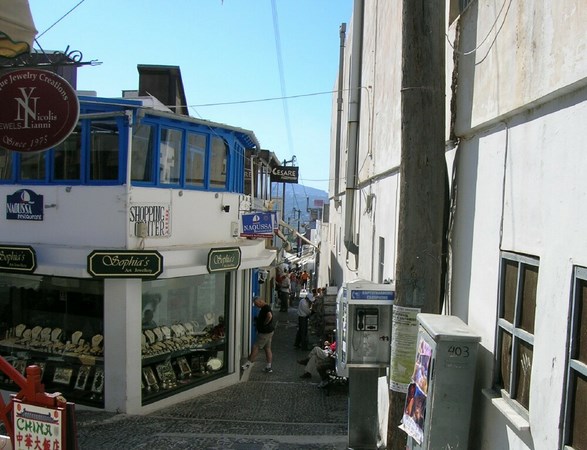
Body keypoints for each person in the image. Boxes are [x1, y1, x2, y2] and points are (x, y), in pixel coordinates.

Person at [241, 297, 275, 373]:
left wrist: (264, 323)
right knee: (267, 348)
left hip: (265, 333)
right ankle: (268, 367)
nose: (257, 306)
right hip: (269, 331)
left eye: (257, 304)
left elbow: (269, 316)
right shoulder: (265, 307)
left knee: (256, 346)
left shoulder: (266, 308)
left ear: (260, 301)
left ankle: (248, 363)